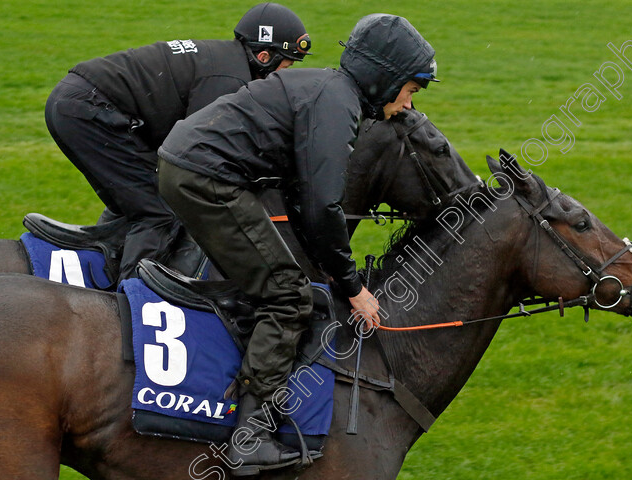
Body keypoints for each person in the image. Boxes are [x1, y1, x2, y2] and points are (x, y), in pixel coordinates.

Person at [157, 13, 438, 475]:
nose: (407, 106)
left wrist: (326, 268)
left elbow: (302, 197)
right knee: (288, 297)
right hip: (205, 179)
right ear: (384, 80)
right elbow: (322, 204)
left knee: (282, 277)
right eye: (410, 91)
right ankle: (248, 439)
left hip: (190, 170)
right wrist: (351, 287)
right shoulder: (336, 106)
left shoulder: (328, 90)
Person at [44, 3, 311, 283]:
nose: (285, 75)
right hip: (87, 111)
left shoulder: (224, 60)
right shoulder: (228, 79)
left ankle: (107, 266)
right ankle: (132, 298)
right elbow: (199, 157)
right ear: (264, 56)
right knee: (159, 212)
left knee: (140, 197)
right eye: (287, 64)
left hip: (78, 103)